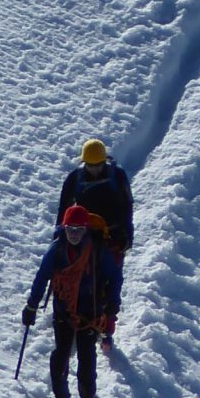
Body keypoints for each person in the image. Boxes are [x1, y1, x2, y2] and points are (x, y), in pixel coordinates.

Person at [24, 204, 120, 398]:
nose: (74, 235)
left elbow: (115, 277)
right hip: (64, 312)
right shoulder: (56, 250)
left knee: (87, 355)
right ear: (64, 228)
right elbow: (41, 278)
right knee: (61, 353)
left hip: (90, 312)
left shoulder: (97, 250)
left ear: (86, 229)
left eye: (78, 230)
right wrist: (31, 306)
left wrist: (112, 306)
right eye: (70, 230)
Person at [58, 138, 134, 342]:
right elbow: (63, 210)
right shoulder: (75, 178)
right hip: (84, 234)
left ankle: (109, 320)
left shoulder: (117, 176)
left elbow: (127, 206)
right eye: (90, 166)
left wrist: (127, 234)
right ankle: (76, 312)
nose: (94, 169)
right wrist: (60, 235)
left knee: (112, 277)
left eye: (98, 165)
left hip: (112, 236)